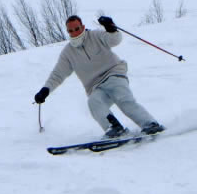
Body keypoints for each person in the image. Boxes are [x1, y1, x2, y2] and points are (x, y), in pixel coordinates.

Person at [34, 15, 165, 138]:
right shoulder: (68, 53)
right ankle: (115, 129)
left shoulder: (95, 35)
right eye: (71, 31)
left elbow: (114, 40)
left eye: (77, 29)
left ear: (83, 27)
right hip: (95, 86)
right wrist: (45, 90)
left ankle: (150, 124)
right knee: (94, 102)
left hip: (113, 74)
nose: (75, 33)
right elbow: (58, 74)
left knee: (123, 99)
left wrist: (110, 27)